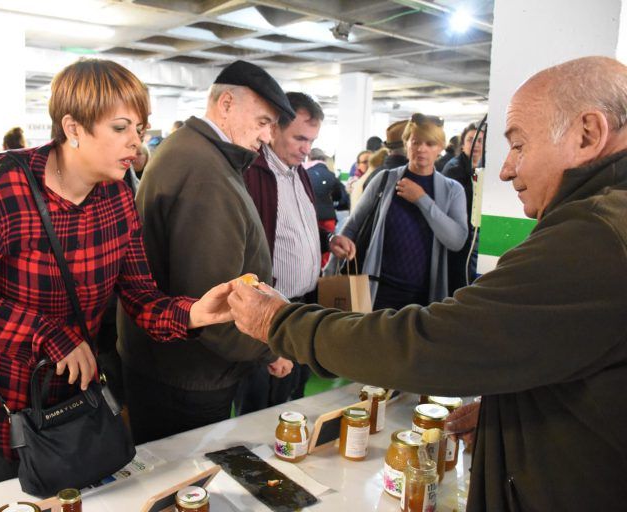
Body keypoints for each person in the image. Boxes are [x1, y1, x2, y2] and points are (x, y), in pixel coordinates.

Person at [227, 56, 627, 511]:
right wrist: (509, 412)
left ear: (588, 133)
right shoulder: (605, 221)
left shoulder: (597, 235)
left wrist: (279, 321)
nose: (505, 169)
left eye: (518, 145)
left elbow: (432, 341)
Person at [0, 59, 234, 488]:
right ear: (72, 127)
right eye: (120, 127)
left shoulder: (117, 197)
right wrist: (47, 334)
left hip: (68, 402)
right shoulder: (4, 184)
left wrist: (195, 313)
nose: (136, 143)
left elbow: (141, 298)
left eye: (140, 129)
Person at [117, 59, 295, 443]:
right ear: (226, 104)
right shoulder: (205, 172)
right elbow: (210, 300)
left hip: (172, 369)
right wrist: (269, 346)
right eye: (263, 121)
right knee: (185, 474)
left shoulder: (195, 151)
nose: (268, 136)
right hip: (188, 376)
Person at [236, 92, 326, 413]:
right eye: (300, 138)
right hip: (267, 314)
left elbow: (295, 229)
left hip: (301, 308)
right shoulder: (252, 174)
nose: (307, 148)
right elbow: (244, 252)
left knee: (292, 402)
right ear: (273, 129)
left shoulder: (299, 172)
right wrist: (266, 344)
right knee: (259, 411)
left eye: (312, 140)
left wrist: (329, 240)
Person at [329, 114, 468, 309]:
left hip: (424, 298)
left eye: (430, 143)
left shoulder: (452, 190)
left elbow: (457, 241)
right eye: (416, 142)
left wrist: (422, 199)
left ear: (440, 148)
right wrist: (331, 268)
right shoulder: (385, 180)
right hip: (376, 290)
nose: (421, 149)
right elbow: (353, 225)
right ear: (406, 143)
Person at [443, 122, 486, 294]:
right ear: (463, 144)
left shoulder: (484, 169)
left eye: (480, 140)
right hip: (459, 236)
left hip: (475, 236)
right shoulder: (454, 170)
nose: (476, 144)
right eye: (471, 139)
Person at [305, 146, 349, 264]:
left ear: (309, 157)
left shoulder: (304, 173)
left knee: (310, 245)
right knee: (328, 246)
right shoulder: (331, 174)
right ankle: (324, 272)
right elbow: (340, 195)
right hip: (329, 215)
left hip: (311, 216)